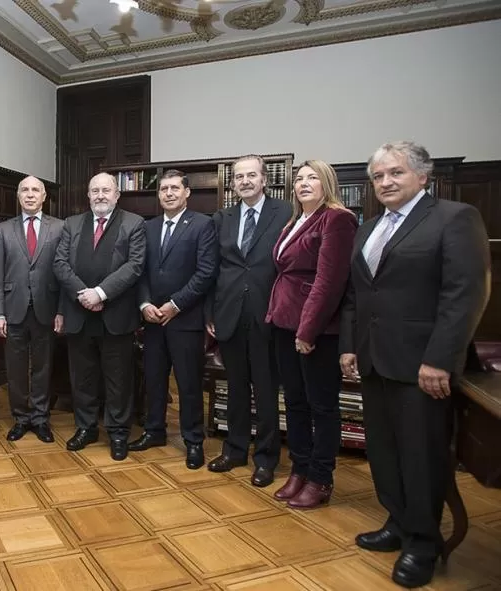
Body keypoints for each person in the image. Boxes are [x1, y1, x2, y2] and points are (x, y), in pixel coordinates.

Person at [340, 142, 489, 588]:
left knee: (422, 457)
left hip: (423, 366)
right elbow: (356, 297)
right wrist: (349, 346)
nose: (385, 182)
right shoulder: (367, 229)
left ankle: (423, 543)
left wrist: (440, 360)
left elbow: (465, 295)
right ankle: (398, 523)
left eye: (395, 173)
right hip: (372, 361)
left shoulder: (455, 219)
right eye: (378, 176)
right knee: (383, 452)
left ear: (423, 177)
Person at [265, 160, 357, 509]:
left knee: (322, 406)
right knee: (295, 401)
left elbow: (330, 281)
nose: (304, 183)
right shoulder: (295, 220)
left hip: (316, 329)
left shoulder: (337, 218)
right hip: (283, 324)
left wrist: (308, 330)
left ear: (326, 183)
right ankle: (299, 469)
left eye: (312, 178)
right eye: (299, 178)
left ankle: (320, 478)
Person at [205, 155, 291, 482]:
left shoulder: (284, 212)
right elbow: (212, 268)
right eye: (239, 177)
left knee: (266, 389)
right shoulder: (222, 217)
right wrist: (210, 312)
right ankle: (234, 449)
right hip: (229, 314)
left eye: (251, 175)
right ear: (233, 183)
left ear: (264, 179)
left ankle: (266, 458)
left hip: (268, 313)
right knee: (236, 387)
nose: (244, 181)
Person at [53, 172, 146, 461]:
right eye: (95, 190)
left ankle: (118, 432)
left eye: (106, 190)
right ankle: (86, 427)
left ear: (117, 194)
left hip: (115, 315)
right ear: (88, 195)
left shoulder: (134, 224)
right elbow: (59, 263)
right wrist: (84, 293)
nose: (100, 195)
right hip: (79, 313)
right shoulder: (72, 224)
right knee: (82, 377)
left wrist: (101, 293)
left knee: (118, 379)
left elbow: (135, 265)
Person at [129, 170, 218, 466]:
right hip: (153, 321)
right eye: (163, 189)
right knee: (154, 380)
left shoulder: (203, 225)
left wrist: (175, 304)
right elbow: (139, 271)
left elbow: (206, 272)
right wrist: (144, 305)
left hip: (186, 320)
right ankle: (154, 431)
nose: (168, 193)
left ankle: (193, 440)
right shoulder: (148, 227)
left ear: (186, 193)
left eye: (174, 188)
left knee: (189, 384)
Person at [0, 176, 64, 443]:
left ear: (44, 196)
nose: (30, 194)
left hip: (47, 308)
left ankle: (41, 418)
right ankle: (21, 418)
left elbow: (65, 273)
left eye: (35, 190)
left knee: (44, 367)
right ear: (18, 196)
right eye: (25, 190)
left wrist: (62, 310)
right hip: (13, 310)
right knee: (16, 368)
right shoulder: (4, 229)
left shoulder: (59, 227)